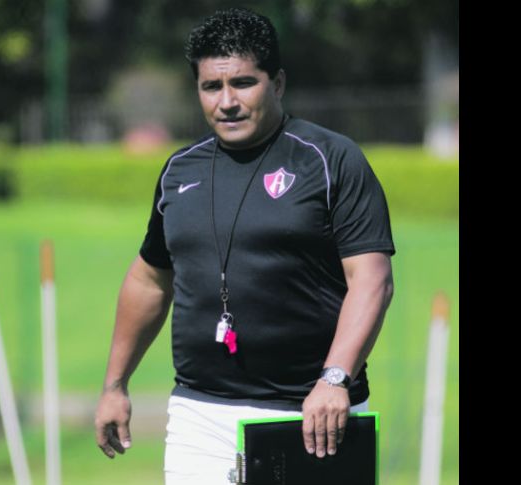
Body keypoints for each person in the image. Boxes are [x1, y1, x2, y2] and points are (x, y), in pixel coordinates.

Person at [94, 7, 395, 484]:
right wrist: (115, 384)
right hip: (200, 415)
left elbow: (372, 279)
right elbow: (149, 280)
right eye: (211, 87)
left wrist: (335, 377)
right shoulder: (179, 172)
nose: (227, 101)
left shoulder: (331, 159)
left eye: (243, 83)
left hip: (315, 415)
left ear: (277, 83)